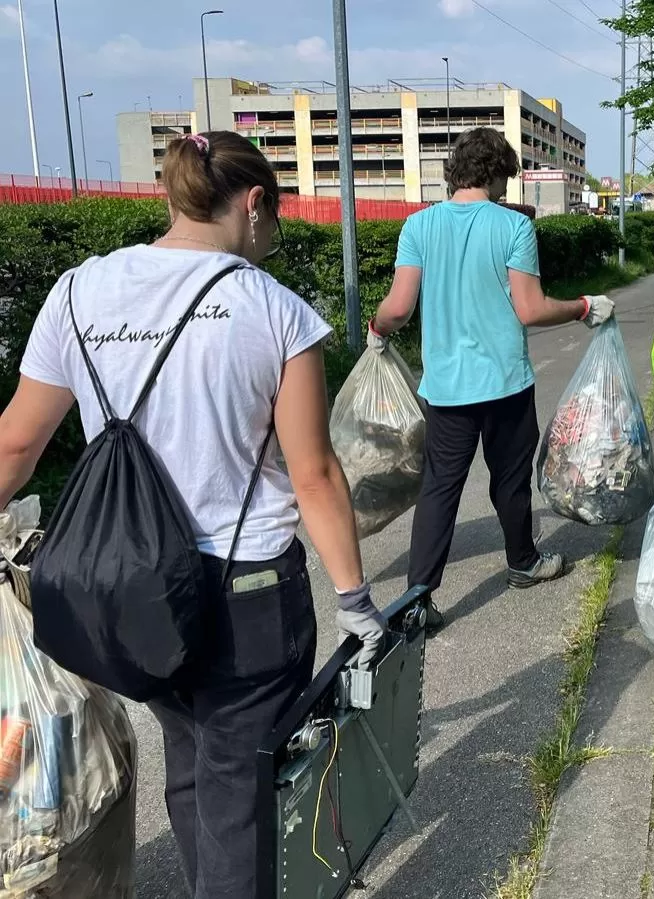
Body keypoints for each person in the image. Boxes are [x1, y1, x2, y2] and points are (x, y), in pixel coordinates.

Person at [0, 131, 383, 898]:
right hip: (247, 600)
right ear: (252, 204)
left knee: (191, 754)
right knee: (242, 791)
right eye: (269, 221)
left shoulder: (77, 291)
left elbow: (16, 440)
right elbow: (312, 472)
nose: (268, 238)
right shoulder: (273, 309)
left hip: (125, 591)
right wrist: (356, 602)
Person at [372, 127, 613, 629]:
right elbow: (530, 309)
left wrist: (377, 328)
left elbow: (398, 307)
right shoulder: (513, 227)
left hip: (444, 387)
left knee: (440, 489)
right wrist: (582, 307)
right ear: (498, 172)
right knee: (509, 479)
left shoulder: (418, 226)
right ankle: (522, 562)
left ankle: (417, 601)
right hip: (504, 382)